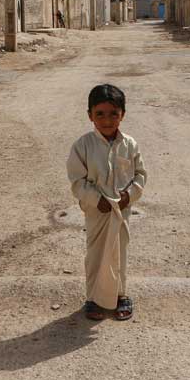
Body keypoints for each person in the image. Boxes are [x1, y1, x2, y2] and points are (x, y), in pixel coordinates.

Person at [66, 84, 147, 320]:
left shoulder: (130, 144)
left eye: (114, 113)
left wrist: (129, 196)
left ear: (123, 114)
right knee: (96, 254)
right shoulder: (82, 146)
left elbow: (140, 175)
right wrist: (96, 199)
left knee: (119, 252)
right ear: (90, 115)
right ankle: (93, 299)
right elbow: (77, 181)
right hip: (96, 212)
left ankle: (121, 295)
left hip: (121, 212)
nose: (107, 120)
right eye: (100, 114)